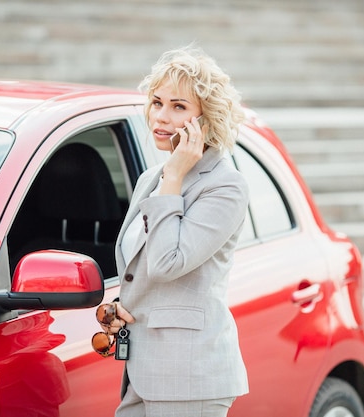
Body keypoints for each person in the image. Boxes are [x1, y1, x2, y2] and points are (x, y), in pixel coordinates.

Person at [95, 45, 250, 417]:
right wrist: (120, 308)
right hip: (143, 373)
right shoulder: (153, 178)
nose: (161, 117)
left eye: (179, 107)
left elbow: (167, 262)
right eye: (157, 102)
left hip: (190, 379)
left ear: (206, 120)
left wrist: (176, 175)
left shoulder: (225, 186)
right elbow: (145, 272)